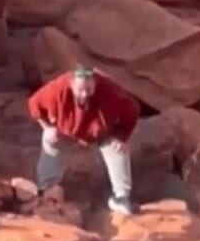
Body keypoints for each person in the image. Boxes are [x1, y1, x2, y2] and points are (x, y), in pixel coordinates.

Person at [28, 66, 140, 214]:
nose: (84, 94)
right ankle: (45, 190)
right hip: (65, 131)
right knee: (50, 140)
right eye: (80, 89)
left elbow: (132, 109)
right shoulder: (57, 89)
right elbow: (34, 104)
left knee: (117, 147)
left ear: (95, 83)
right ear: (71, 83)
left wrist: (122, 136)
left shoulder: (109, 89)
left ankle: (121, 197)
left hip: (101, 131)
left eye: (89, 89)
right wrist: (47, 127)